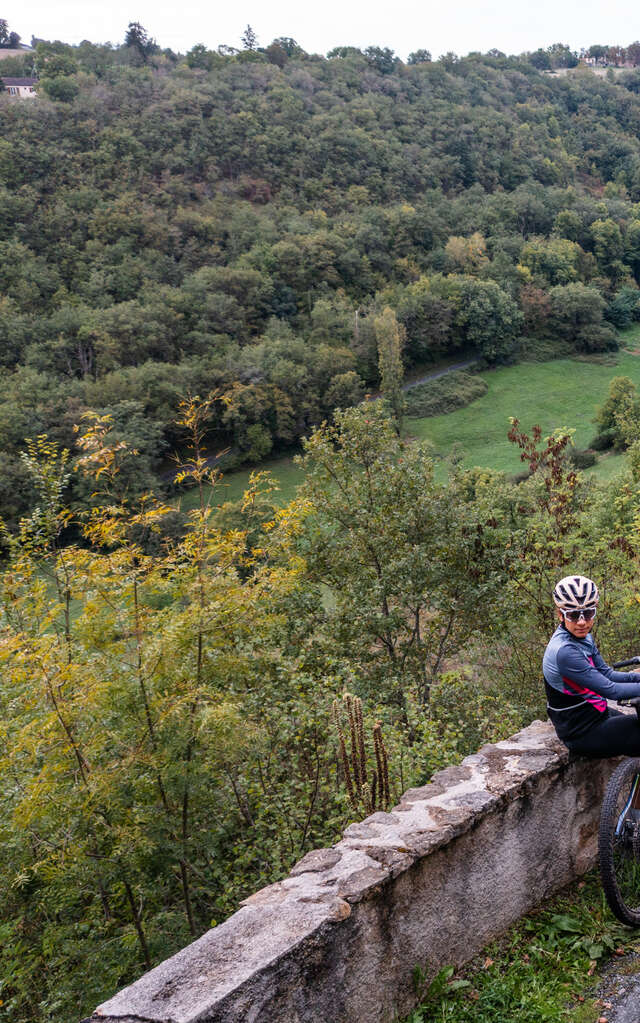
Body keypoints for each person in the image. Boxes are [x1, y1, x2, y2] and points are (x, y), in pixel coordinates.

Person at [543, 574, 640, 757]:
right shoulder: (565, 652)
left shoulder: (584, 638)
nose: (581, 622)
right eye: (572, 614)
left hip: (596, 715)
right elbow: (611, 690)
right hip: (582, 733)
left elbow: (607, 674)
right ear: (560, 614)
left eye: (588, 613)